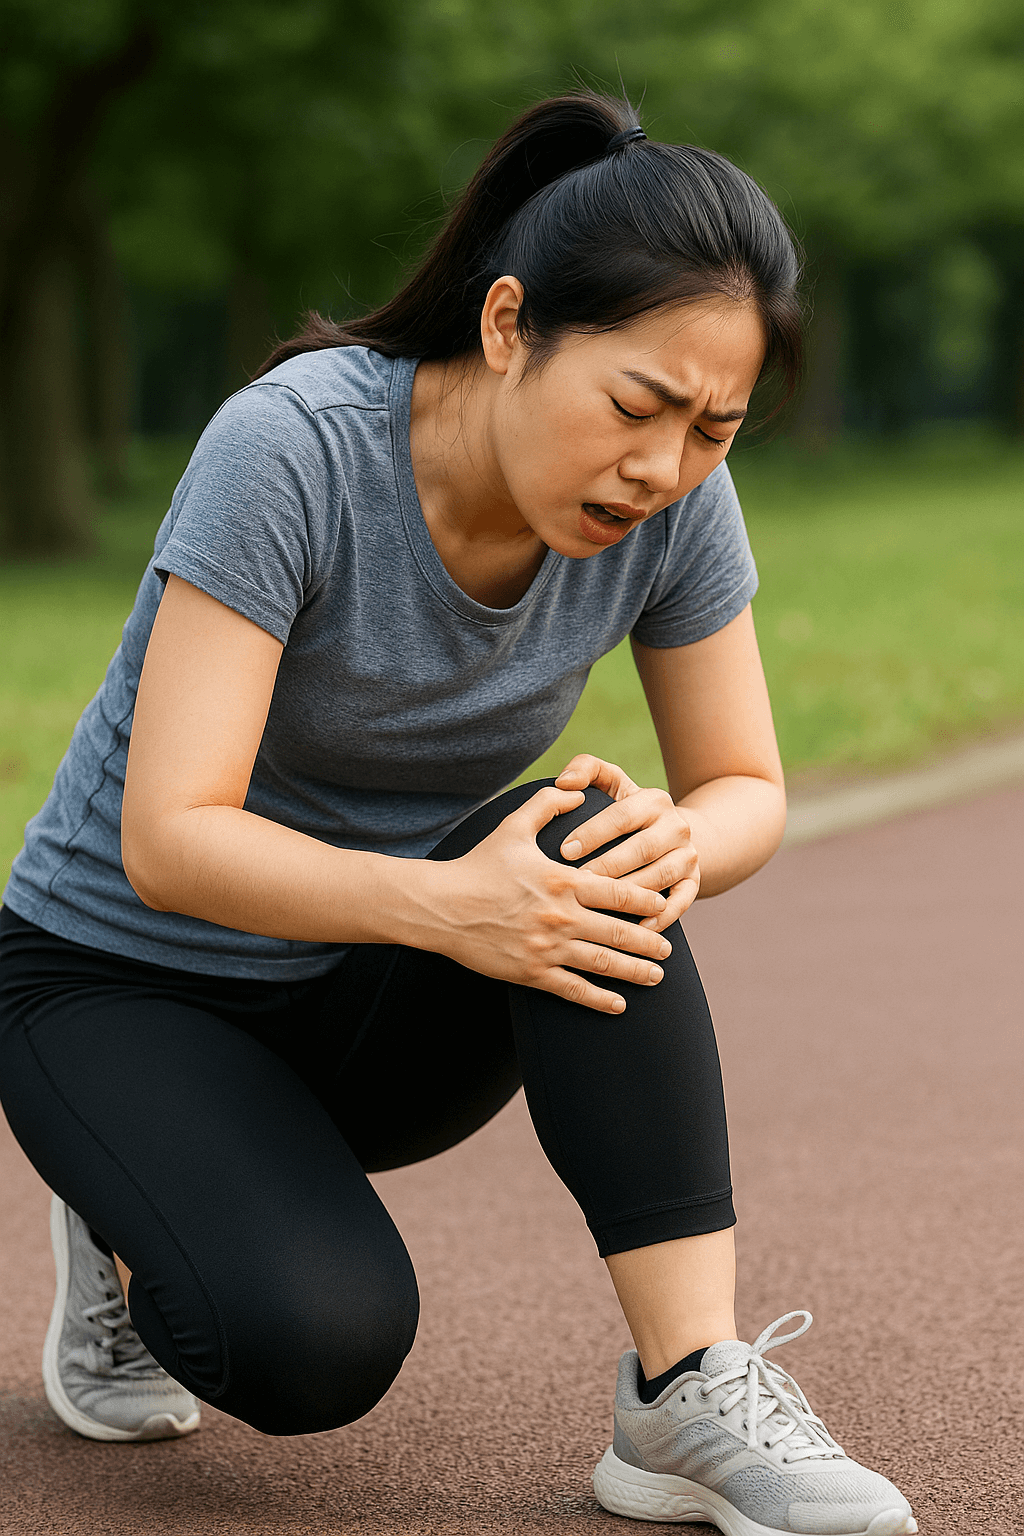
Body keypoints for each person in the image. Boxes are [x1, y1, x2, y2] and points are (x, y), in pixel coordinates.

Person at [0, 93, 916, 1536]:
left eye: (715, 429)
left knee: (593, 845)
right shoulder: (291, 449)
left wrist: (680, 839)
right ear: (506, 328)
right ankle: (126, 1204)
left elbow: (746, 789)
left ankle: (686, 1388)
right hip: (122, 981)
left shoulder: (675, 506)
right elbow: (168, 839)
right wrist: (449, 905)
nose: (663, 466)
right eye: (635, 407)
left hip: (363, 1002)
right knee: (313, 1347)